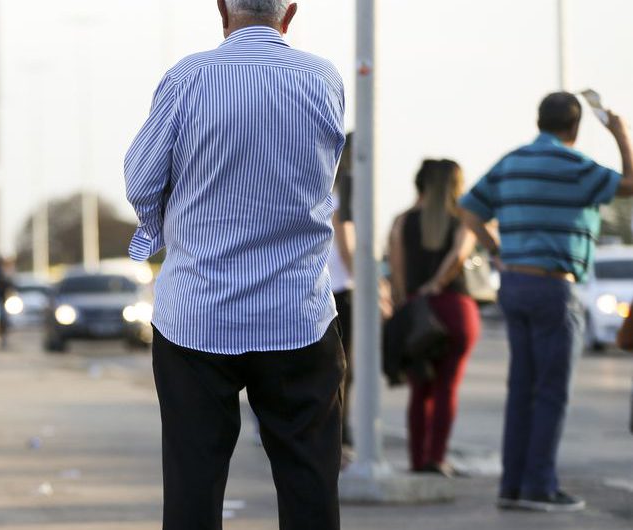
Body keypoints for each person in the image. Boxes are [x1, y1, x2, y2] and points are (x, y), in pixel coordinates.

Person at [124, 2, 346, 528]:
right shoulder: (324, 78)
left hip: (195, 317)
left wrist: (162, 233)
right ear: (289, 13)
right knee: (310, 480)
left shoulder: (187, 78)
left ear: (222, 9)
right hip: (298, 315)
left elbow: (142, 179)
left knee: (193, 484)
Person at [460, 93, 633, 512]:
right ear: (575, 127)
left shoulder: (512, 161)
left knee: (522, 388)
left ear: (539, 121)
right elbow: (629, 187)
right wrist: (621, 134)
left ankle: (513, 484)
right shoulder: (575, 167)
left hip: (515, 285)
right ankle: (539, 485)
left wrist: (498, 250)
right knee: (551, 392)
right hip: (554, 287)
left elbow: (469, 212)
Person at [388, 159, 481, 477]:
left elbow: (397, 274)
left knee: (420, 390)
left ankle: (418, 461)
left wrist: (410, 301)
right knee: (446, 388)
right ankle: (437, 458)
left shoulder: (402, 221)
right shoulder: (463, 220)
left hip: (417, 311)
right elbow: (459, 255)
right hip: (456, 309)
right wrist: (439, 283)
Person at [329, 134, 356, 455]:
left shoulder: (327, 192)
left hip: (329, 288)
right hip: (342, 290)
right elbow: (347, 246)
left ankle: (340, 430)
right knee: (343, 368)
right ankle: (340, 432)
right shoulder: (343, 196)